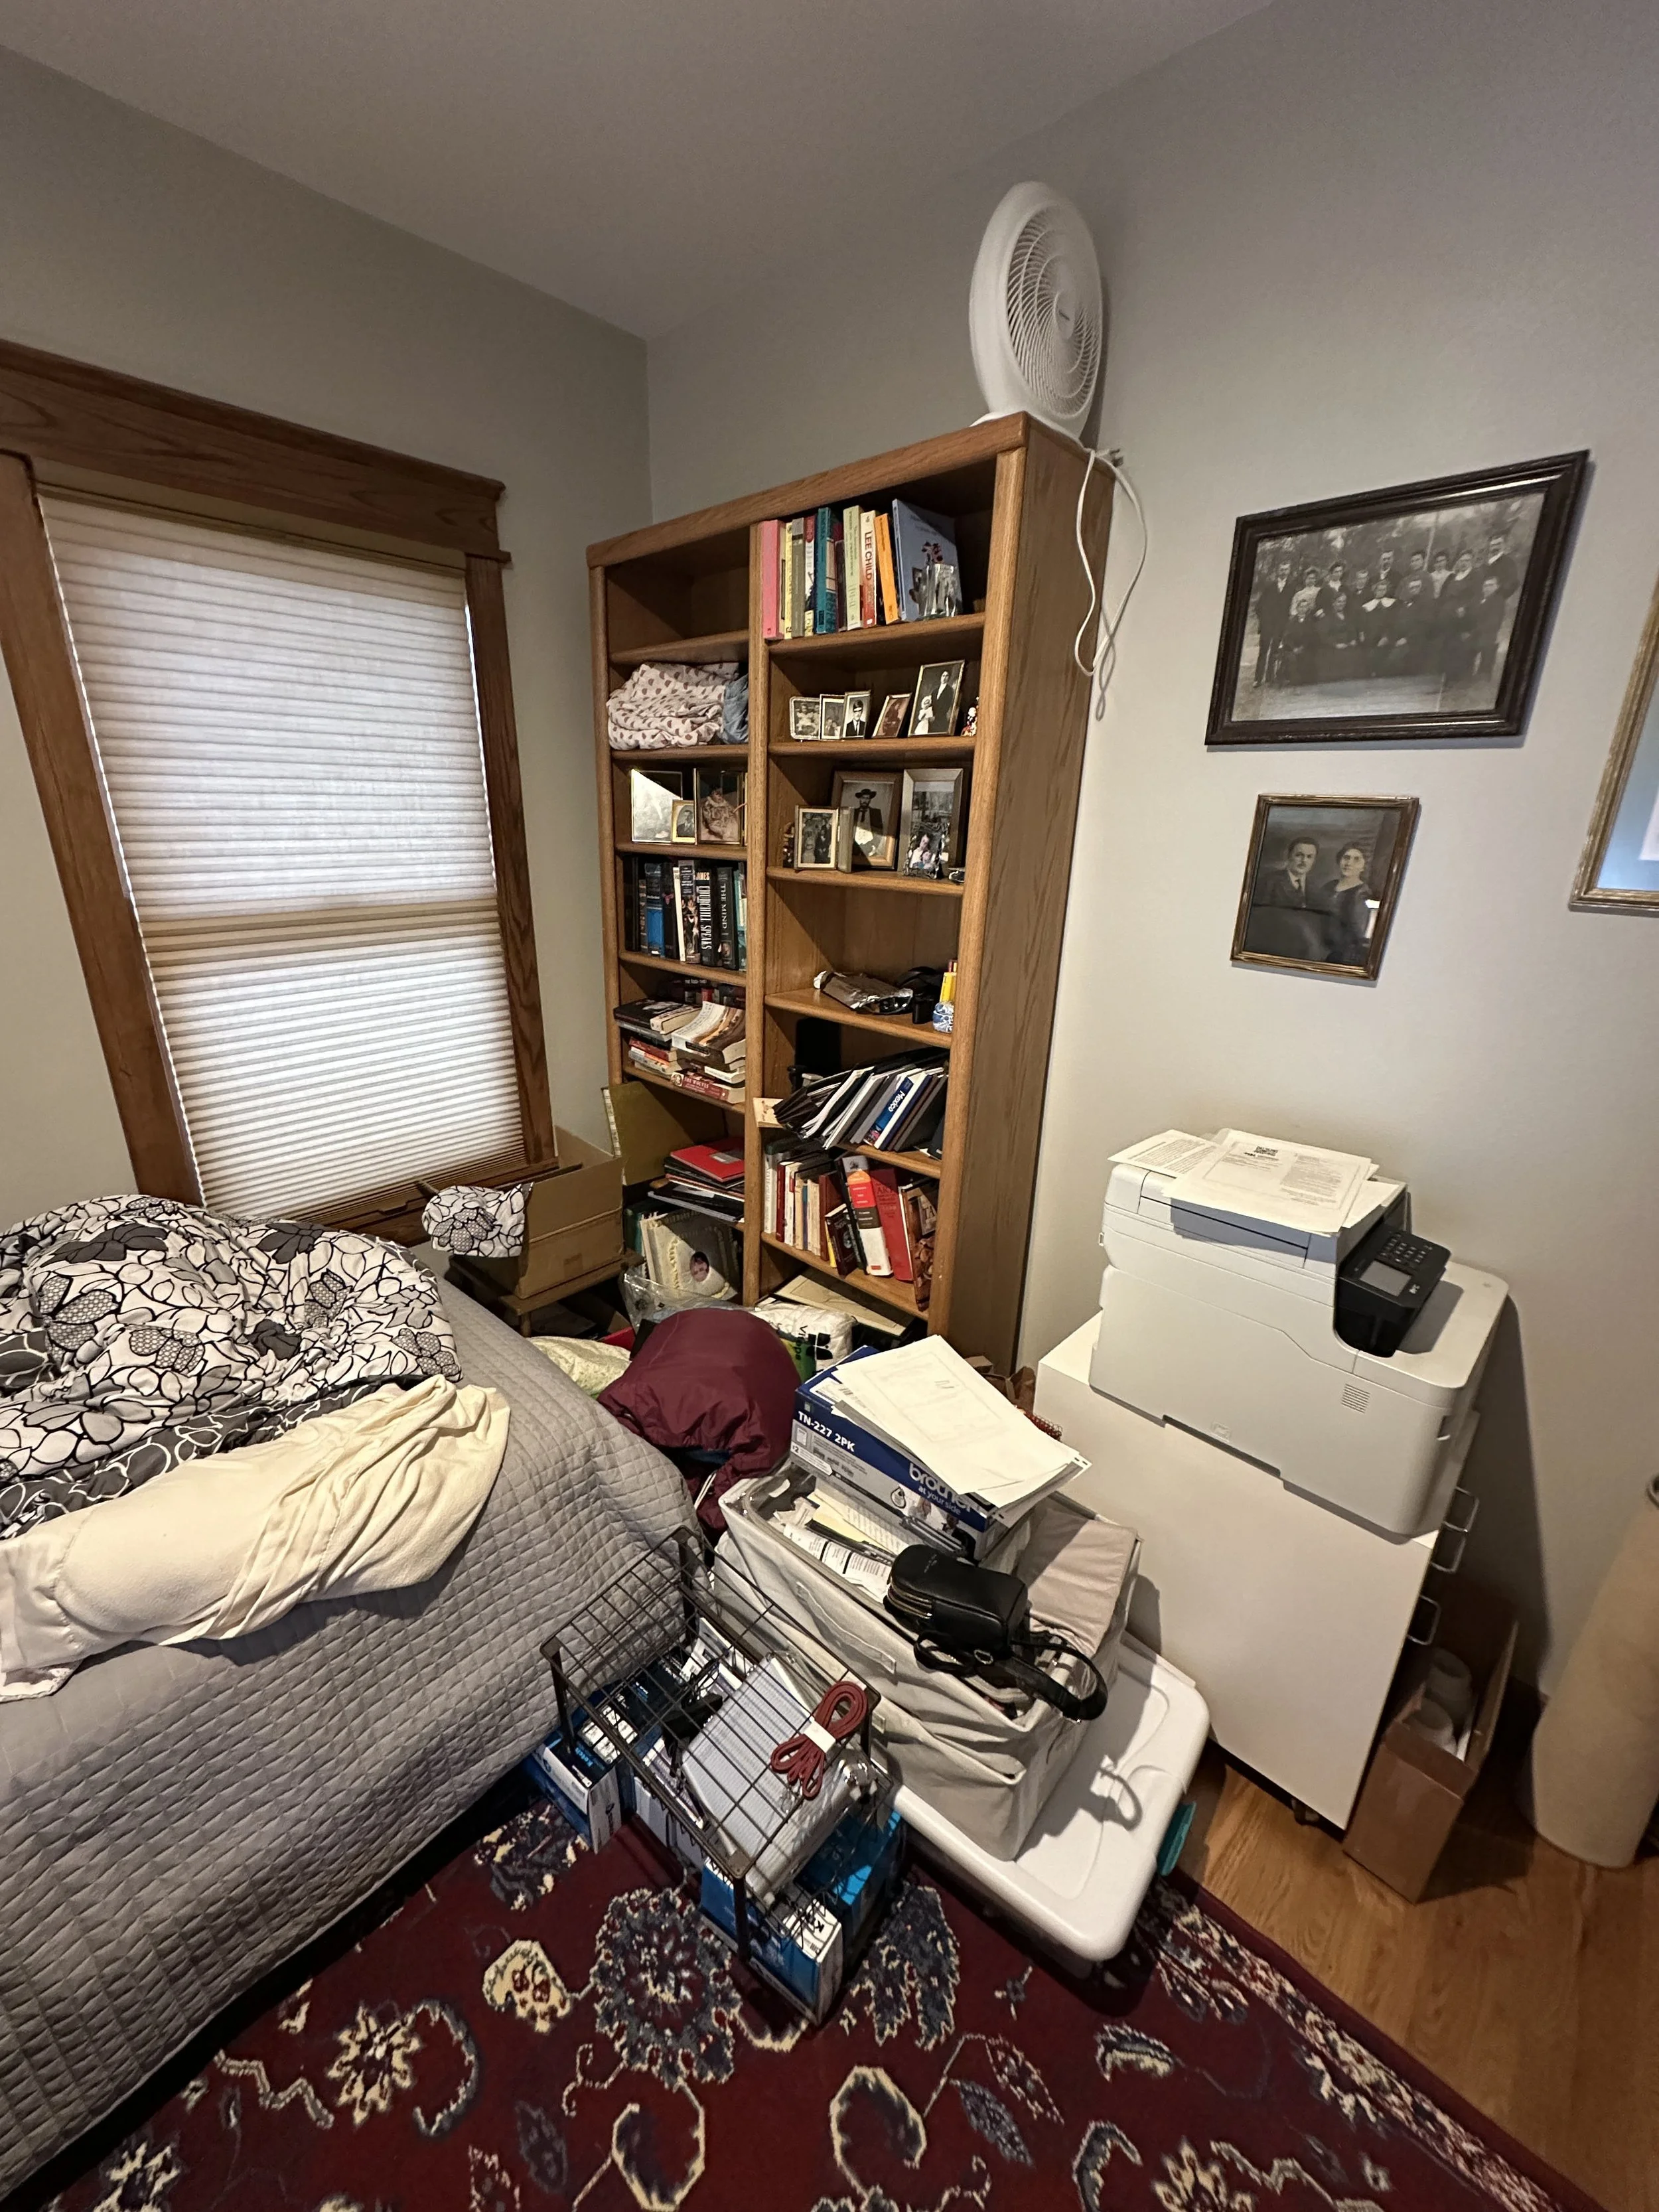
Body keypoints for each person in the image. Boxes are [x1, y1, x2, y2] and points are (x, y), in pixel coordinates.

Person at [1244, 833, 1332, 962]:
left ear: (1314, 861)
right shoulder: (1269, 882)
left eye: (1309, 857)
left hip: (1304, 955)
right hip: (1272, 952)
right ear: (1289, 856)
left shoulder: (1316, 889)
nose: (1304, 861)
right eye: (1299, 855)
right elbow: (1256, 922)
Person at [1315, 842, 1374, 966]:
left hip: (1343, 955)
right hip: (1317, 947)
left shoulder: (1362, 893)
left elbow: (1359, 931)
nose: (1349, 863)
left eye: (1356, 859)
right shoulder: (1328, 887)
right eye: (1346, 858)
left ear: (1364, 866)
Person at [1250, 556, 1298, 687]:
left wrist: (1287, 622)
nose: (1284, 572)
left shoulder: (1292, 587)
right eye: (1281, 569)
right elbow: (1259, 606)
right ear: (1278, 571)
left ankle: (1270, 678)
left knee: (1275, 651)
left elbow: (1293, 606)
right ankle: (1258, 679)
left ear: (1289, 571)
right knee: (1263, 651)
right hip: (1268, 625)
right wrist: (1264, 620)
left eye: (1286, 570)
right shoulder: (1270, 587)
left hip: (1281, 625)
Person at [1482, 528, 1523, 603]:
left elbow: (1513, 583)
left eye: (1498, 544)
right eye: (1493, 545)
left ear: (1504, 545)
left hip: (1497, 602)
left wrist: (1498, 597)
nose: (1495, 547)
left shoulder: (1509, 563)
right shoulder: (1484, 564)